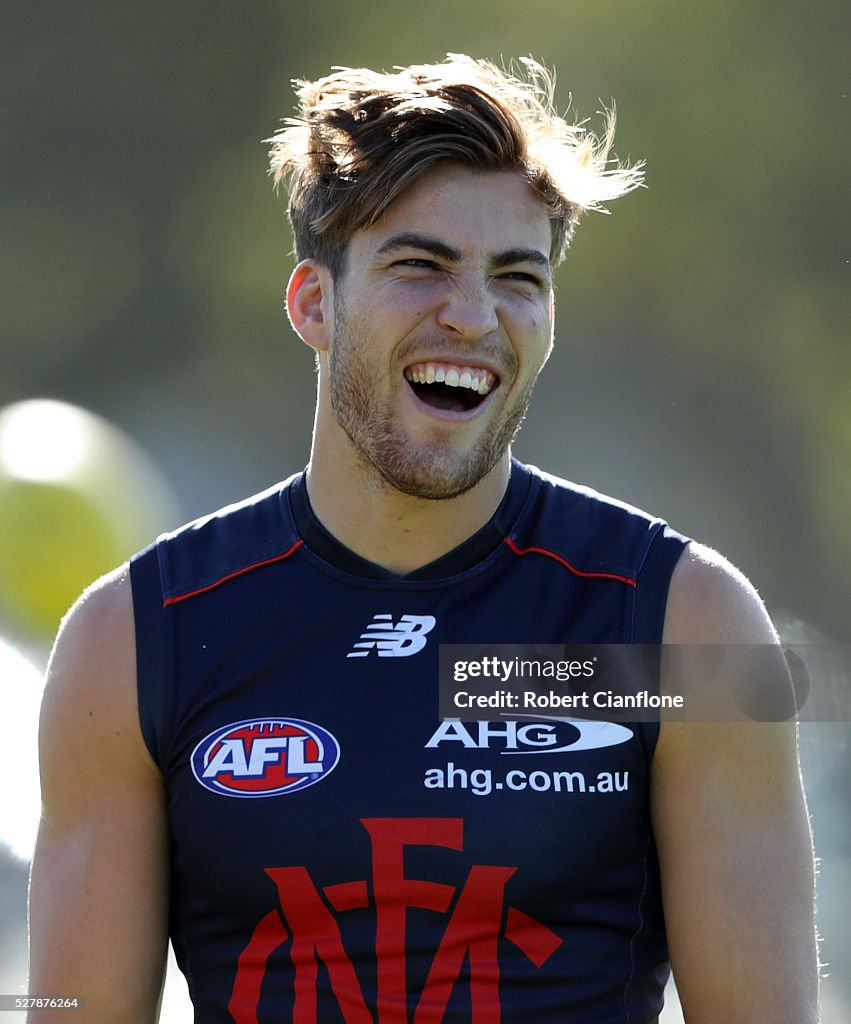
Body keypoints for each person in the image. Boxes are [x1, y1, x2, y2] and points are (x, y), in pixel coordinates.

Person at [28, 56, 819, 1023]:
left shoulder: (685, 623)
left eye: (516, 277)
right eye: (420, 265)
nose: (474, 315)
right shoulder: (132, 639)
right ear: (313, 305)